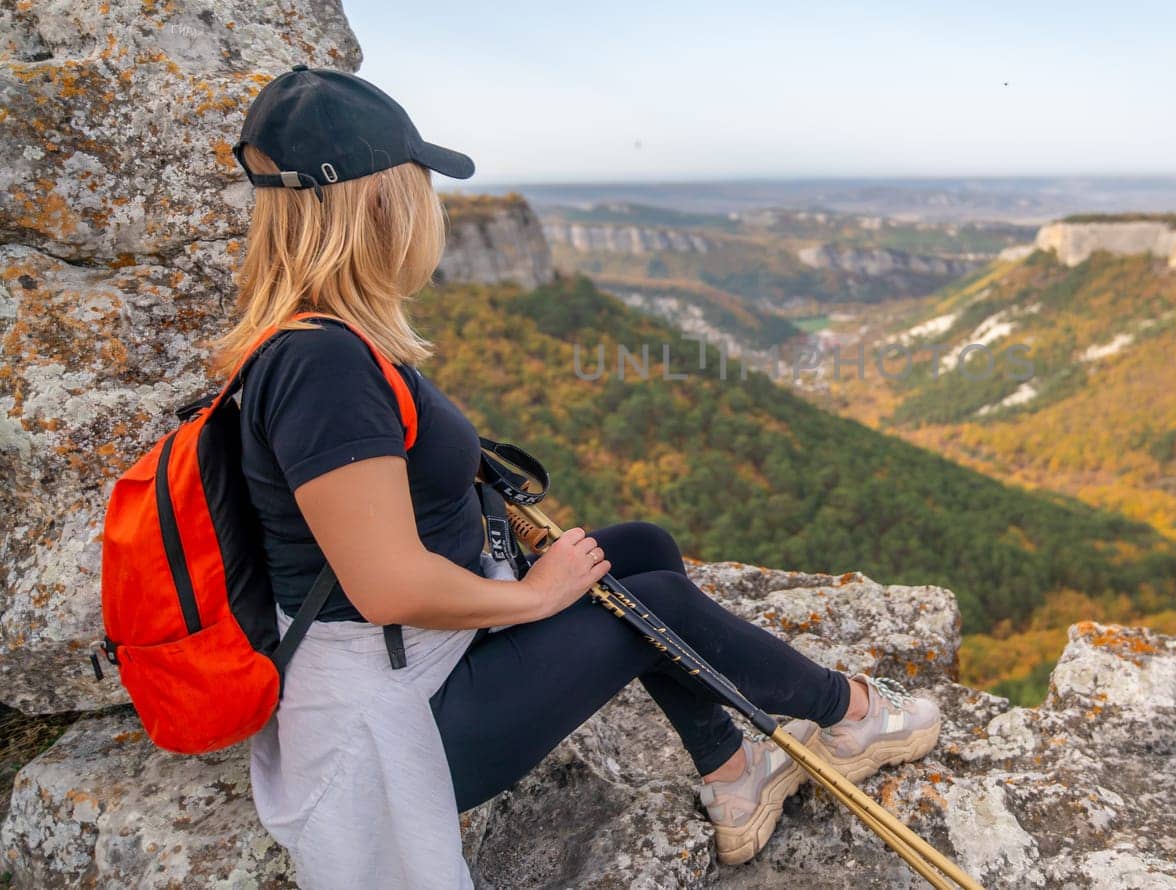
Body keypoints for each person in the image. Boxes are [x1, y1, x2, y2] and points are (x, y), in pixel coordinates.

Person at [207, 65, 943, 889]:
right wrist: (536, 596)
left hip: (413, 665)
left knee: (637, 550)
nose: (432, 207)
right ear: (381, 200)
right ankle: (852, 717)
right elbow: (383, 585)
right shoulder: (323, 363)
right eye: (420, 184)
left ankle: (736, 778)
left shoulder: (326, 340)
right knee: (648, 604)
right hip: (390, 725)